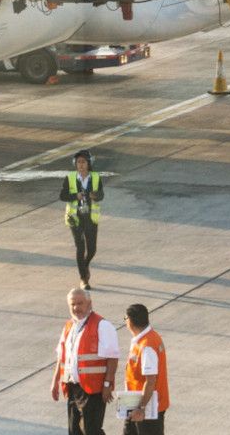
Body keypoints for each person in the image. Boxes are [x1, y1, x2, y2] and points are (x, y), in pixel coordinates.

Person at [51, 286, 119, 435]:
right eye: (72, 304)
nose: (76, 308)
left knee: (91, 430)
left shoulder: (102, 325)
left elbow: (113, 357)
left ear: (89, 303)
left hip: (93, 389)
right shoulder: (69, 326)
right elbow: (61, 356)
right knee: (74, 431)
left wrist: (107, 384)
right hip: (72, 387)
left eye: (80, 303)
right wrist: (55, 381)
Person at [118, 303, 170, 435]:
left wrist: (141, 408)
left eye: (125, 318)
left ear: (130, 321)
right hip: (136, 402)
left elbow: (150, 380)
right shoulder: (149, 337)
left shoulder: (147, 346)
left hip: (147, 407)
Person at [60, 149, 104, 288]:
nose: (80, 165)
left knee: (92, 250)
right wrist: (75, 196)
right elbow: (62, 196)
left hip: (90, 217)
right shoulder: (70, 177)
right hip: (75, 218)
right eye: (78, 162)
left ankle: (84, 267)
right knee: (80, 247)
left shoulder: (96, 177)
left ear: (89, 163)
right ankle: (84, 279)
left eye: (83, 162)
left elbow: (102, 195)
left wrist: (95, 195)